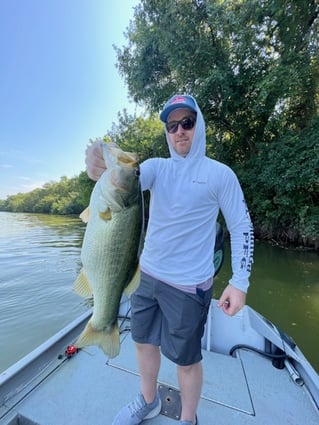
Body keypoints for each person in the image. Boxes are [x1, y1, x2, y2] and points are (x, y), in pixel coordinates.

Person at [85, 94, 254, 425]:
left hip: (190, 287)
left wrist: (240, 281)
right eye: (172, 125)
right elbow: (122, 185)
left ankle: (188, 419)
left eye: (187, 123)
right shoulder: (155, 169)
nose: (180, 131)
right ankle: (148, 401)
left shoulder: (220, 175)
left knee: (186, 360)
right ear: (166, 130)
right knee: (144, 343)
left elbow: (241, 225)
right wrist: (99, 161)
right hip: (145, 276)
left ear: (198, 125)